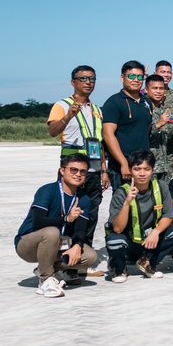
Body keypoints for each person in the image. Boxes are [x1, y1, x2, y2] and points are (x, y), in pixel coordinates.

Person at [47, 65, 109, 260]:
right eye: (83, 79)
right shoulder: (61, 105)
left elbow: (100, 142)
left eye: (91, 79)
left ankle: (84, 255)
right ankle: (61, 257)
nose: (88, 82)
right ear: (73, 82)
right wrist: (68, 116)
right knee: (68, 211)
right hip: (73, 169)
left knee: (91, 213)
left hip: (94, 169)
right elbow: (52, 131)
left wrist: (104, 170)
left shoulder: (97, 110)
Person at [15, 153, 98, 298]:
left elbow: (80, 228)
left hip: (57, 244)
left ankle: (46, 268)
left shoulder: (83, 198)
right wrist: (66, 218)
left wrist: (77, 246)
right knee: (52, 232)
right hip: (28, 244)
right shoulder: (47, 190)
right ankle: (45, 280)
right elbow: (38, 222)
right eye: (73, 170)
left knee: (90, 256)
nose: (78, 174)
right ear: (62, 170)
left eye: (82, 171)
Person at [105, 149, 173, 282]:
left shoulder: (161, 187)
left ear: (153, 170)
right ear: (131, 170)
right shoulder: (121, 192)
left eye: (147, 169)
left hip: (150, 240)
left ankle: (147, 262)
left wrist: (156, 232)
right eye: (137, 169)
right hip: (129, 240)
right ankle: (119, 268)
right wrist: (127, 203)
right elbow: (117, 229)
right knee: (114, 240)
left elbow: (168, 215)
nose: (142, 173)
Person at [101, 60, 151, 188]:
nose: (136, 80)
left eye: (140, 77)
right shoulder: (114, 102)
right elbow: (108, 134)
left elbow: (147, 130)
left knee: (142, 206)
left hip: (142, 166)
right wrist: (123, 163)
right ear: (122, 78)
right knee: (123, 204)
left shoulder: (146, 103)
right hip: (122, 168)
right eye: (131, 76)